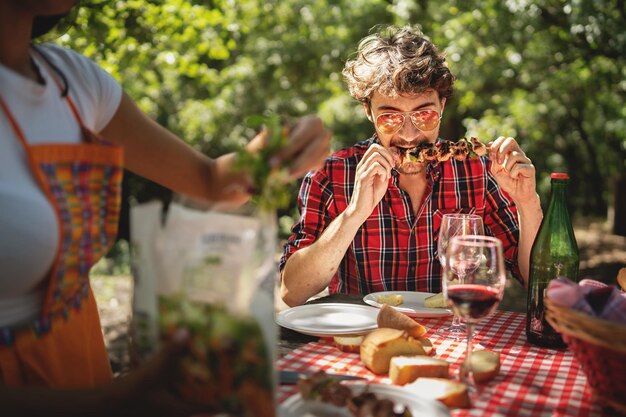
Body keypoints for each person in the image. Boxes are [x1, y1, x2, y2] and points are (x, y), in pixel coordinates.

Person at [0, 1, 331, 415]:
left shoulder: (72, 81)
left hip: (85, 367)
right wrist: (113, 402)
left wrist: (279, 149)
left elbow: (210, 182)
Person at [279, 25, 542, 307]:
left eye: (424, 115)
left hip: (452, 335)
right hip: (365, 336)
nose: (408, 135)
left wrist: (527, 201)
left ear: (442, 106)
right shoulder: (330, 175)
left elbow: (535, 280)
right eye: (390, 118)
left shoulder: (479, 172)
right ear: (369, 111)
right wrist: (354, 213)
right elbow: (292, 293)